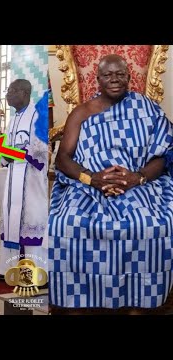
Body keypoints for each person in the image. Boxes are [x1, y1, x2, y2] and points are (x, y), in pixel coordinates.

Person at [49, 54, 173, 313]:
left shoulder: (147, 108)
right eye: (108, 75)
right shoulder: (82, 112)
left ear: (129, 77)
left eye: (120, 74)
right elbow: (63, 158)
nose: (114, 79)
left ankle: (139, 301)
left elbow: (162, 156)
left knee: (150, 225)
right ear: (98, 79)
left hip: (140, 184)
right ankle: (77, 302)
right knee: (66, 222)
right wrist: (91, 178)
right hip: (88, 185)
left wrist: (136, 178)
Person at [0, 80, 48, 281]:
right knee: (11, 220)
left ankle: (33, 273)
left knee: (31, 222)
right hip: (13, 177)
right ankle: (9, 269)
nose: (7, 94)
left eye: (11, 91)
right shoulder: (14, 118)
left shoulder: (37, 116)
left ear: (24, 93)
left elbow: (41, 151)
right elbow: (7, 147)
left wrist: (13, 153)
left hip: (31, 180)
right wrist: (2, 153)